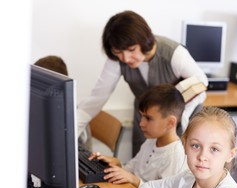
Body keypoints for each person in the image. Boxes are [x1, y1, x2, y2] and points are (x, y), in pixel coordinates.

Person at [77, 10, 208, 156]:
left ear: (144, 40)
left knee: (175, 164)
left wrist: (175, 104)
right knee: (140, 165)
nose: (125, 58)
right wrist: (71, 131)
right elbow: (97, 98)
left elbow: (202, 82)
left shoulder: (174, 54)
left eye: (131, 50)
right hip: (144, 116)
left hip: (177, 119)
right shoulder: (117, 58)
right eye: (118, 52)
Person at [90, 84, 187, 188]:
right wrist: (117, 164)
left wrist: (134, 180)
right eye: (141, 116)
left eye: (148, 118)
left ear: (170, 122)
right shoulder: (151, 141)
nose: (141, 123)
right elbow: (132, 169)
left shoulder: (174, 155)